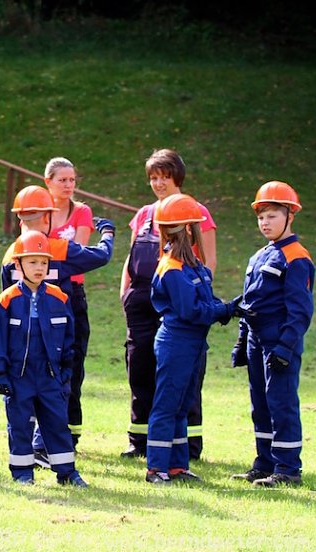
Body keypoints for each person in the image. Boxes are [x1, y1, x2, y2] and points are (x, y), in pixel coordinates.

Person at [0, 184, 114, 466]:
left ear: (19, 219)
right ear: (49, 217)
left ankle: (25, 449)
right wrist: (108, 234)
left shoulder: (10, 254)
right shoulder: (60, 248)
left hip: (22, 337)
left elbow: (6, 296)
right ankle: (44, 445)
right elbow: (102, 256)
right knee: (58, 386)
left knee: (23, 390)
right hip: (58, 334)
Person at [120, 149, 217, 460]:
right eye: (153, 178)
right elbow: (130, 256)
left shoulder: (195, 210)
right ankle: (140, 440)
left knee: (182, 372)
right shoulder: (144, 214)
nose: (159, 183)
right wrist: (125, 293)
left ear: (178, 177)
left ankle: (187, 444)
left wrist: (198, 297)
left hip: (179, 302)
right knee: (140, 369)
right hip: (142, 302)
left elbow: (208, 258)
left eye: (164, 177)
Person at [144, 194, 242, 484]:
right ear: (188, 228)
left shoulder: (192, 265)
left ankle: (176, 466)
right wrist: (226, 309)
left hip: (193, 344)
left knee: (182, 404)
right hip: (177, 343)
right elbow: (191, 310)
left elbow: (205, 300)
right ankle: (156, 469)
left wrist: (227, 307)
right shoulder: (172, 268)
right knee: (167, 405)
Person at [0, 231, 88, 487]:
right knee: (19, 425)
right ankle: (22, 474)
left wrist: (65, 372)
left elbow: (69, 338)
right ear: (18, 265)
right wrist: (0, 374)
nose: (39, 268)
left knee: (56, 424)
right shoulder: (6, 300)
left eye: (44, 262)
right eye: (32, 262)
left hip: (50, 376)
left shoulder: (60, 298)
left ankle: (67, 473)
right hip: (18, 377)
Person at [230, 181, 314, 487]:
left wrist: (285, 347)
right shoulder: (260, 256)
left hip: (278, 341)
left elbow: (301, 310)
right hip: (255, 340)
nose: (265, 222)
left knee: (282, 403)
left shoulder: (296, 257)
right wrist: (241, 341)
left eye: (272, 216)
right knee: (260, 405)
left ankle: (288, 469)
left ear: (290, 216)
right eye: (261, 216)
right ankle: (264, 463)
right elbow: (249, 301)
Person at [45, 157, 97, 448]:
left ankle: (71, 432)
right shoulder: (39, 212)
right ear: (48, 182)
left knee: (73, 362)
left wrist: (50, 255)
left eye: (72, 180)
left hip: (72, 295)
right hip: (42, 294)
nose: (68, 185)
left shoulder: (82, 212)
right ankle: (45, 433)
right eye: (62, 180)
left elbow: (78, 257)